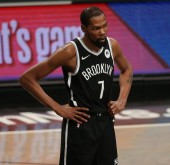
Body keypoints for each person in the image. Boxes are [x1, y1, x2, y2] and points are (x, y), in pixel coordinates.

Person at [19, 6, 133, 165]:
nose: (102, 31)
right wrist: (58, 108)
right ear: (84, 29)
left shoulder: (112, 45)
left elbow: (127, 69)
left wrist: (122, 99)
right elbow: (27, 78)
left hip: (106, 121)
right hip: (81, 125)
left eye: (105, 26)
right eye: (96, 28)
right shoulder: (70, 51)